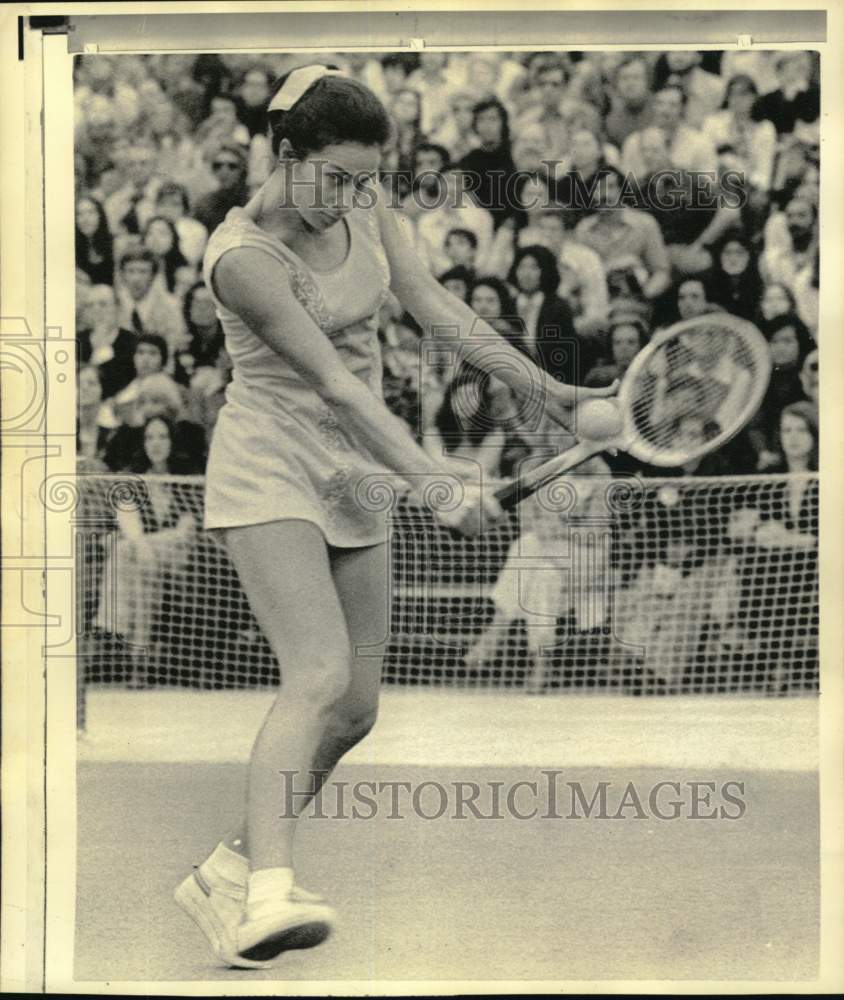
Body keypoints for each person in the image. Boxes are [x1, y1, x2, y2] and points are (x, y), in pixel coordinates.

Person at [172, 64, 617, 969]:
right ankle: (264, 897)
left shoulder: (366, 206)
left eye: (365, 179)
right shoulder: (244, 256)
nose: (349, 198)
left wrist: (550, 391)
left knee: (357, 710)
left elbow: (438, 309)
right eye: (334, 178)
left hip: (355, 476)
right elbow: (335, 385)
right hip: (269, 468)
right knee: (319, 671)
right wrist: (437, 484)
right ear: (283, 152)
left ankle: (227, 866)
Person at [75, 194, 115, 286]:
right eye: (79, 214)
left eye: (91, 212)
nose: (85, 219)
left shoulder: (115, 244)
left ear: (100, 216)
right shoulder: (72, 248)